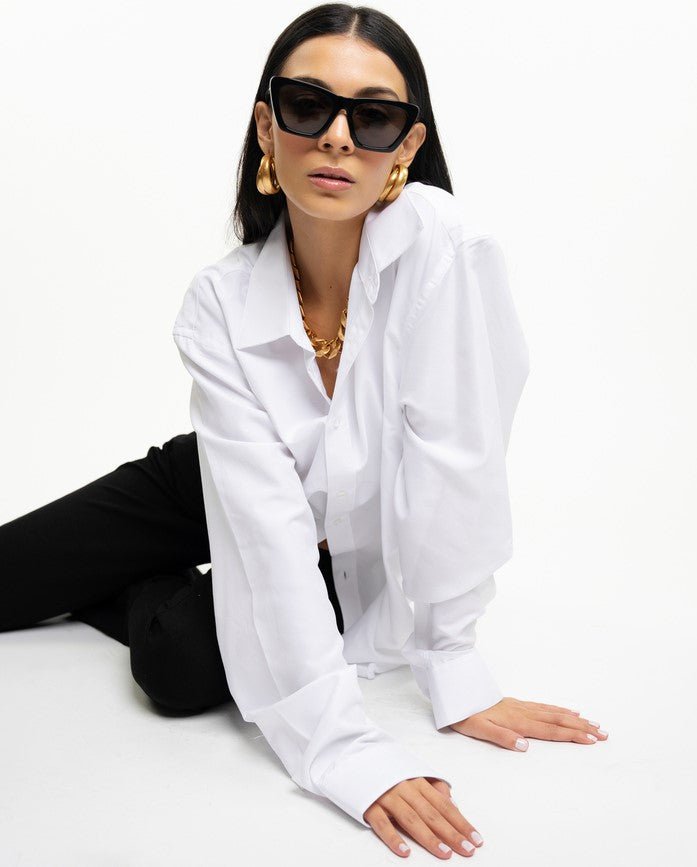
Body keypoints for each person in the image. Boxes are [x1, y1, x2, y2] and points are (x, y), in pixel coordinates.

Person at [0, 3, 608, 859]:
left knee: (177, 669)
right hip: (222, 477)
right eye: (307, 106)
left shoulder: (446, 253)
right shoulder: (219, 300)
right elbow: (259, 515)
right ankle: (129, 556)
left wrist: (446, 671)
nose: (336, 137)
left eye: (373, 117)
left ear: (406, 145)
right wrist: (349, 750)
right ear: (267, 127)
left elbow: (457, 466)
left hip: (337, 533)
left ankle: (136, 583)